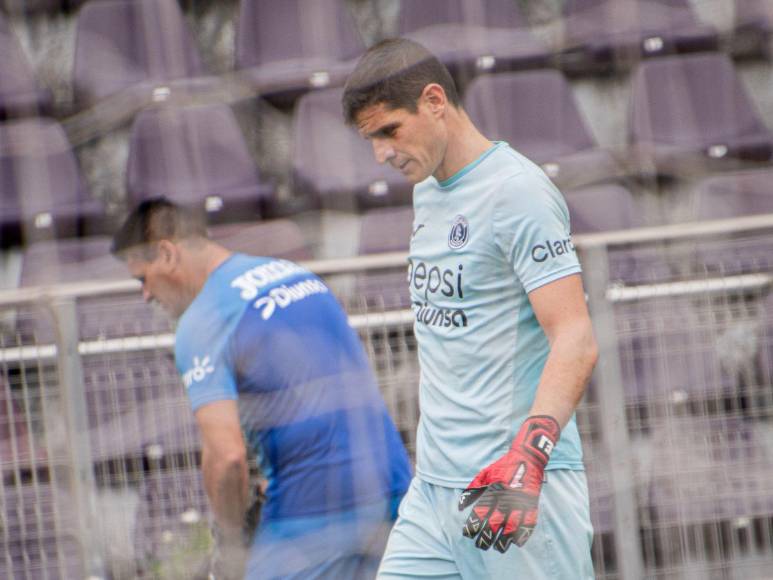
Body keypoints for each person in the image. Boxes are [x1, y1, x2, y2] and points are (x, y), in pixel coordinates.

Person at [343, 38, 599, 579]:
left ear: (434, 100)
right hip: (435, 488)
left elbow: (575, 337)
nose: (381, 154)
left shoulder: (517, 191)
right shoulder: (428, 190)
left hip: (512, 488)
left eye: (389, 130)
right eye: (370, 140)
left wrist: (528, 459)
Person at [111, 198, 412, 579]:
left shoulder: (204, 321)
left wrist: (230, 539)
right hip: (393, 487)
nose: (146, 295)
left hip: (313, 515)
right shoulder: (294, 274)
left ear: (168, 254)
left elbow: (227, 458)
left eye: (142, 278)